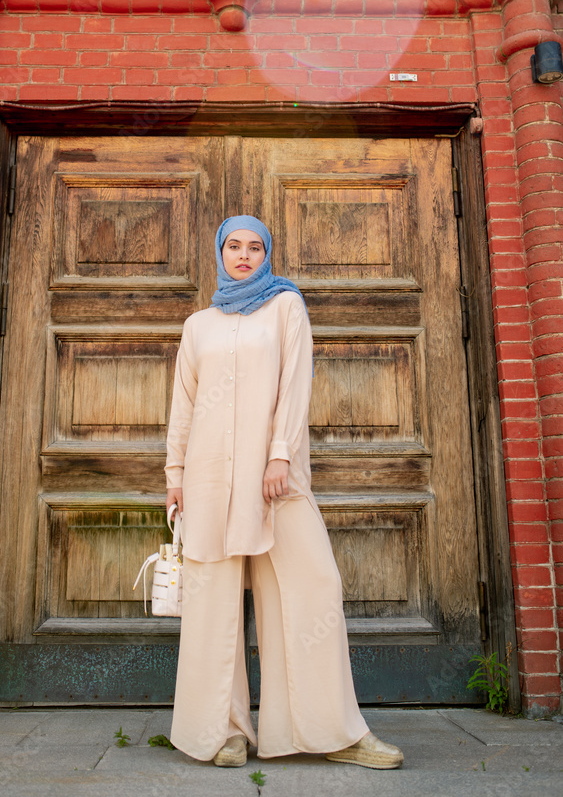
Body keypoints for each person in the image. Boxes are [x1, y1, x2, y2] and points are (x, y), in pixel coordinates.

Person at [164, 214, 403, 770]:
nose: (244, 255)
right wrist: (174, 475)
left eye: (254, 246)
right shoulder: (198, 324)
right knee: (212, 603)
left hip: (275, 478)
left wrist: (280, 454)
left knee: (311, 586)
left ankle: (332, 732)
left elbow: (295, 383)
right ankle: (221, 732)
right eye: (233, 246)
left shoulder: (285, 306)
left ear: (266, 253)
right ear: (219, 252)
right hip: (207, 477)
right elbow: (184, 405)